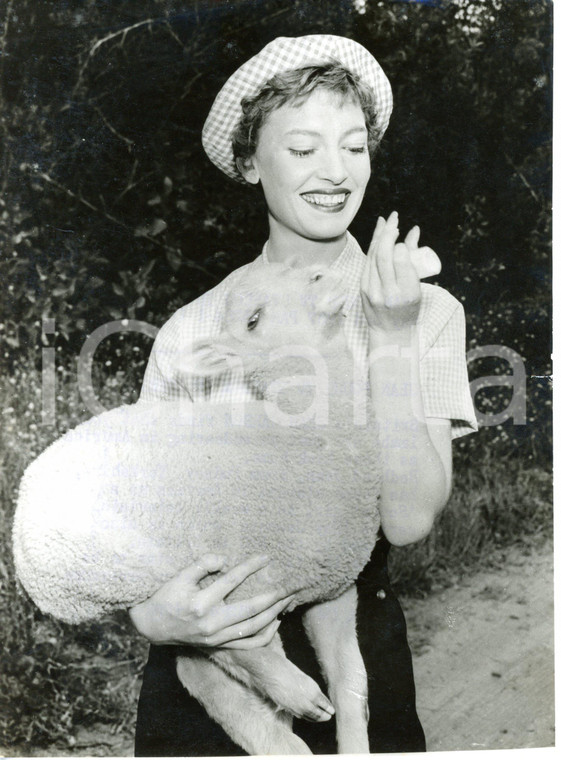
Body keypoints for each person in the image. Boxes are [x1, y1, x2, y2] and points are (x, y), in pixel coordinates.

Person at [130, 34, 477, 755]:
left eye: (353, 146)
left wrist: (388, 334)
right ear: (250, 162)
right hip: (206, 662)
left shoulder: (425, 310)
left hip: (349, 647)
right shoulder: (191, 330)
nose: (334, 172)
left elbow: (408, 518)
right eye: (303, 148)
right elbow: (143, 532)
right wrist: (154, 621)